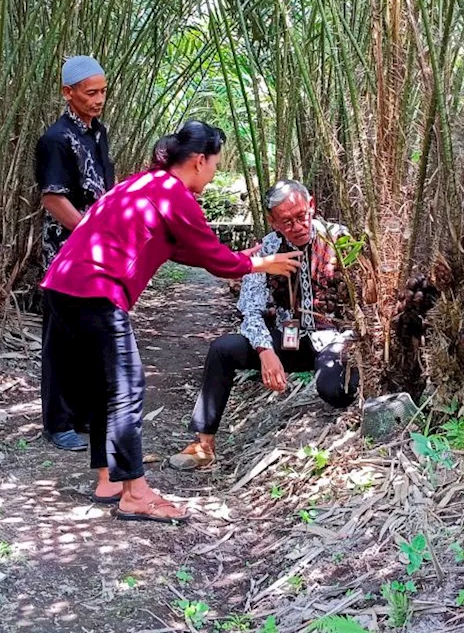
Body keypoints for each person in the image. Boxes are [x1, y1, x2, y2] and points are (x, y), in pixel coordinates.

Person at [41, 122, 302, 523]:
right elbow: (212, 257)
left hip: (63, 284)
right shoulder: (174, 195)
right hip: (96, 289)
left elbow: (174, 247)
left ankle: (109, 478)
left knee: (103, 384)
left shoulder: (144, 183)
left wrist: (240, 260)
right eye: (215, 165)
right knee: (127, 387)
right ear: (199, 161)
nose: (214, 173)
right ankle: (135, 494)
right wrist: (259, 263)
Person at [169, 180, 361, 471]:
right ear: (273, 221)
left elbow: (365, 304)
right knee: (223, 349)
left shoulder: (339, 240)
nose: (297, 226)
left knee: (333, 389)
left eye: (301, 216)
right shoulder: (270, 246)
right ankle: (204, 444)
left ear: (312, 206)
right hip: (290, 339)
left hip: (335, 340)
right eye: (287, 221)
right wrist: (264, 350)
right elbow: (250, 308)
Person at [35, 55, 114, 453]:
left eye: (102, 91)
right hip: (64, 253)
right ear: (69, 93)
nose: (98, 99)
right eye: (91, 93)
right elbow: (53, 199)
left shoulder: (97, 133)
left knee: (90, 333)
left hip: (95, 249)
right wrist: (88, 231)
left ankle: (83, 412)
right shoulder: (56, 139)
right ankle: (57, 421)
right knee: (61, 338)